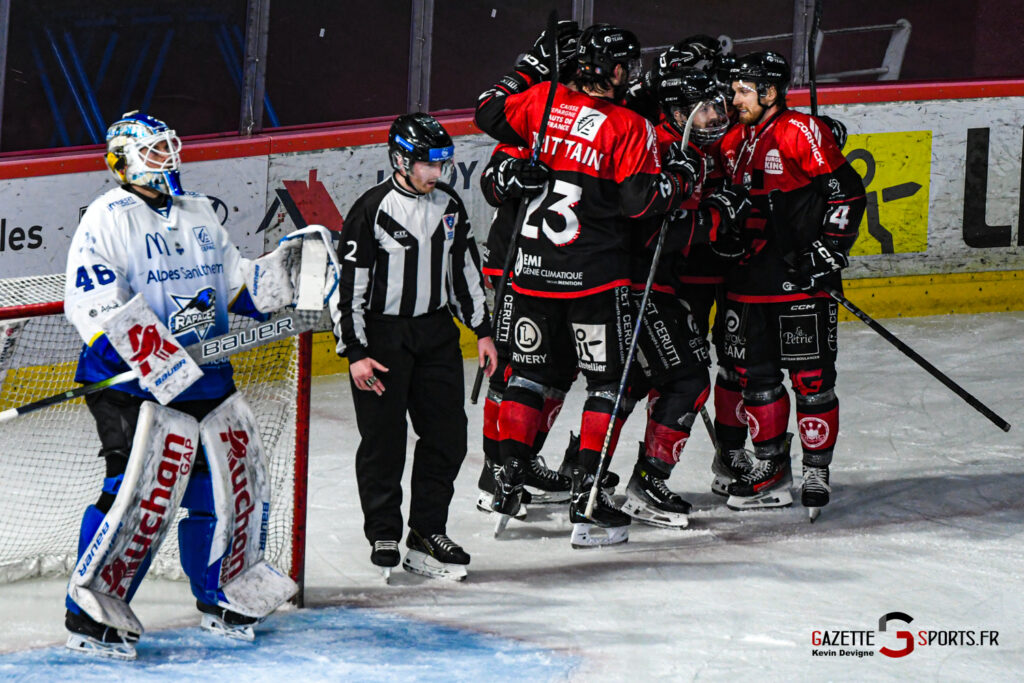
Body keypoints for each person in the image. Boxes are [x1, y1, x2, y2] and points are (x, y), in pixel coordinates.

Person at [63, 111, 309, 659]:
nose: (168, 159)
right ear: (121, 160)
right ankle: (89, 610)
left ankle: (221, 592)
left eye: (170, 147)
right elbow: (94, 304)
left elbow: (235, 284)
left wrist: (285, 276)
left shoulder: (197, 211)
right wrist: (155, 357)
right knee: (134, 493)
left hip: (204, 378)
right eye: (153, 151)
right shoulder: (107, 217)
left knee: (222, 487)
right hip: (131, 384)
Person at [475, 23, 699, 547]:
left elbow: (488, 111)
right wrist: (682, 178)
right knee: (607, 384)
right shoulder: (627, 127)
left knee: (528, 375)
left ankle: (507, 476)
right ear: (616, 71)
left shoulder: (538, 100)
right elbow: (640, 202)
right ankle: (588, 496)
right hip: (594, 279)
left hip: (530, 271)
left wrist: (528, 65)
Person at [332, 112, 497, 581]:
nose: (436, 174)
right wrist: (355, 353)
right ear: (402, 160)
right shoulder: (370, 210)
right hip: (382, 340)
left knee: (447, 437)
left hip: (437, 336)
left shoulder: (448, 205)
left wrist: (481, 330)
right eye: (428, 165)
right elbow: (349, 291)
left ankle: (427, 532)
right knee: (384, 442)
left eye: (441, 165)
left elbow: (465, 272)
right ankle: (384, 532)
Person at [717, 52, 866, 520]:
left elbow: (848, 191)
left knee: (813, 381)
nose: (734, 98)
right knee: (756, 380)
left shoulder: (800, 131)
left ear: (770, 92)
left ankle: (816, 470)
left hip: (800, 281)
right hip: (746, 284)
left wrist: (829, 250)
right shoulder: (732, 140)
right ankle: (770, 466)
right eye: (734, 89)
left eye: (743, 90)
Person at [620, 65, 749, 529]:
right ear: (677, 111)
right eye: (706, 108)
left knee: (631, 382)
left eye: (718, 106)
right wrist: (717, 218)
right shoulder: (655, 146)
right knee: (689, 381)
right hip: (637, 284)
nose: (717, 116)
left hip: (646, 283)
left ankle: (583, 470)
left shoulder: (683, 147)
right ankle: (646, 482)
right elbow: (647, 230)